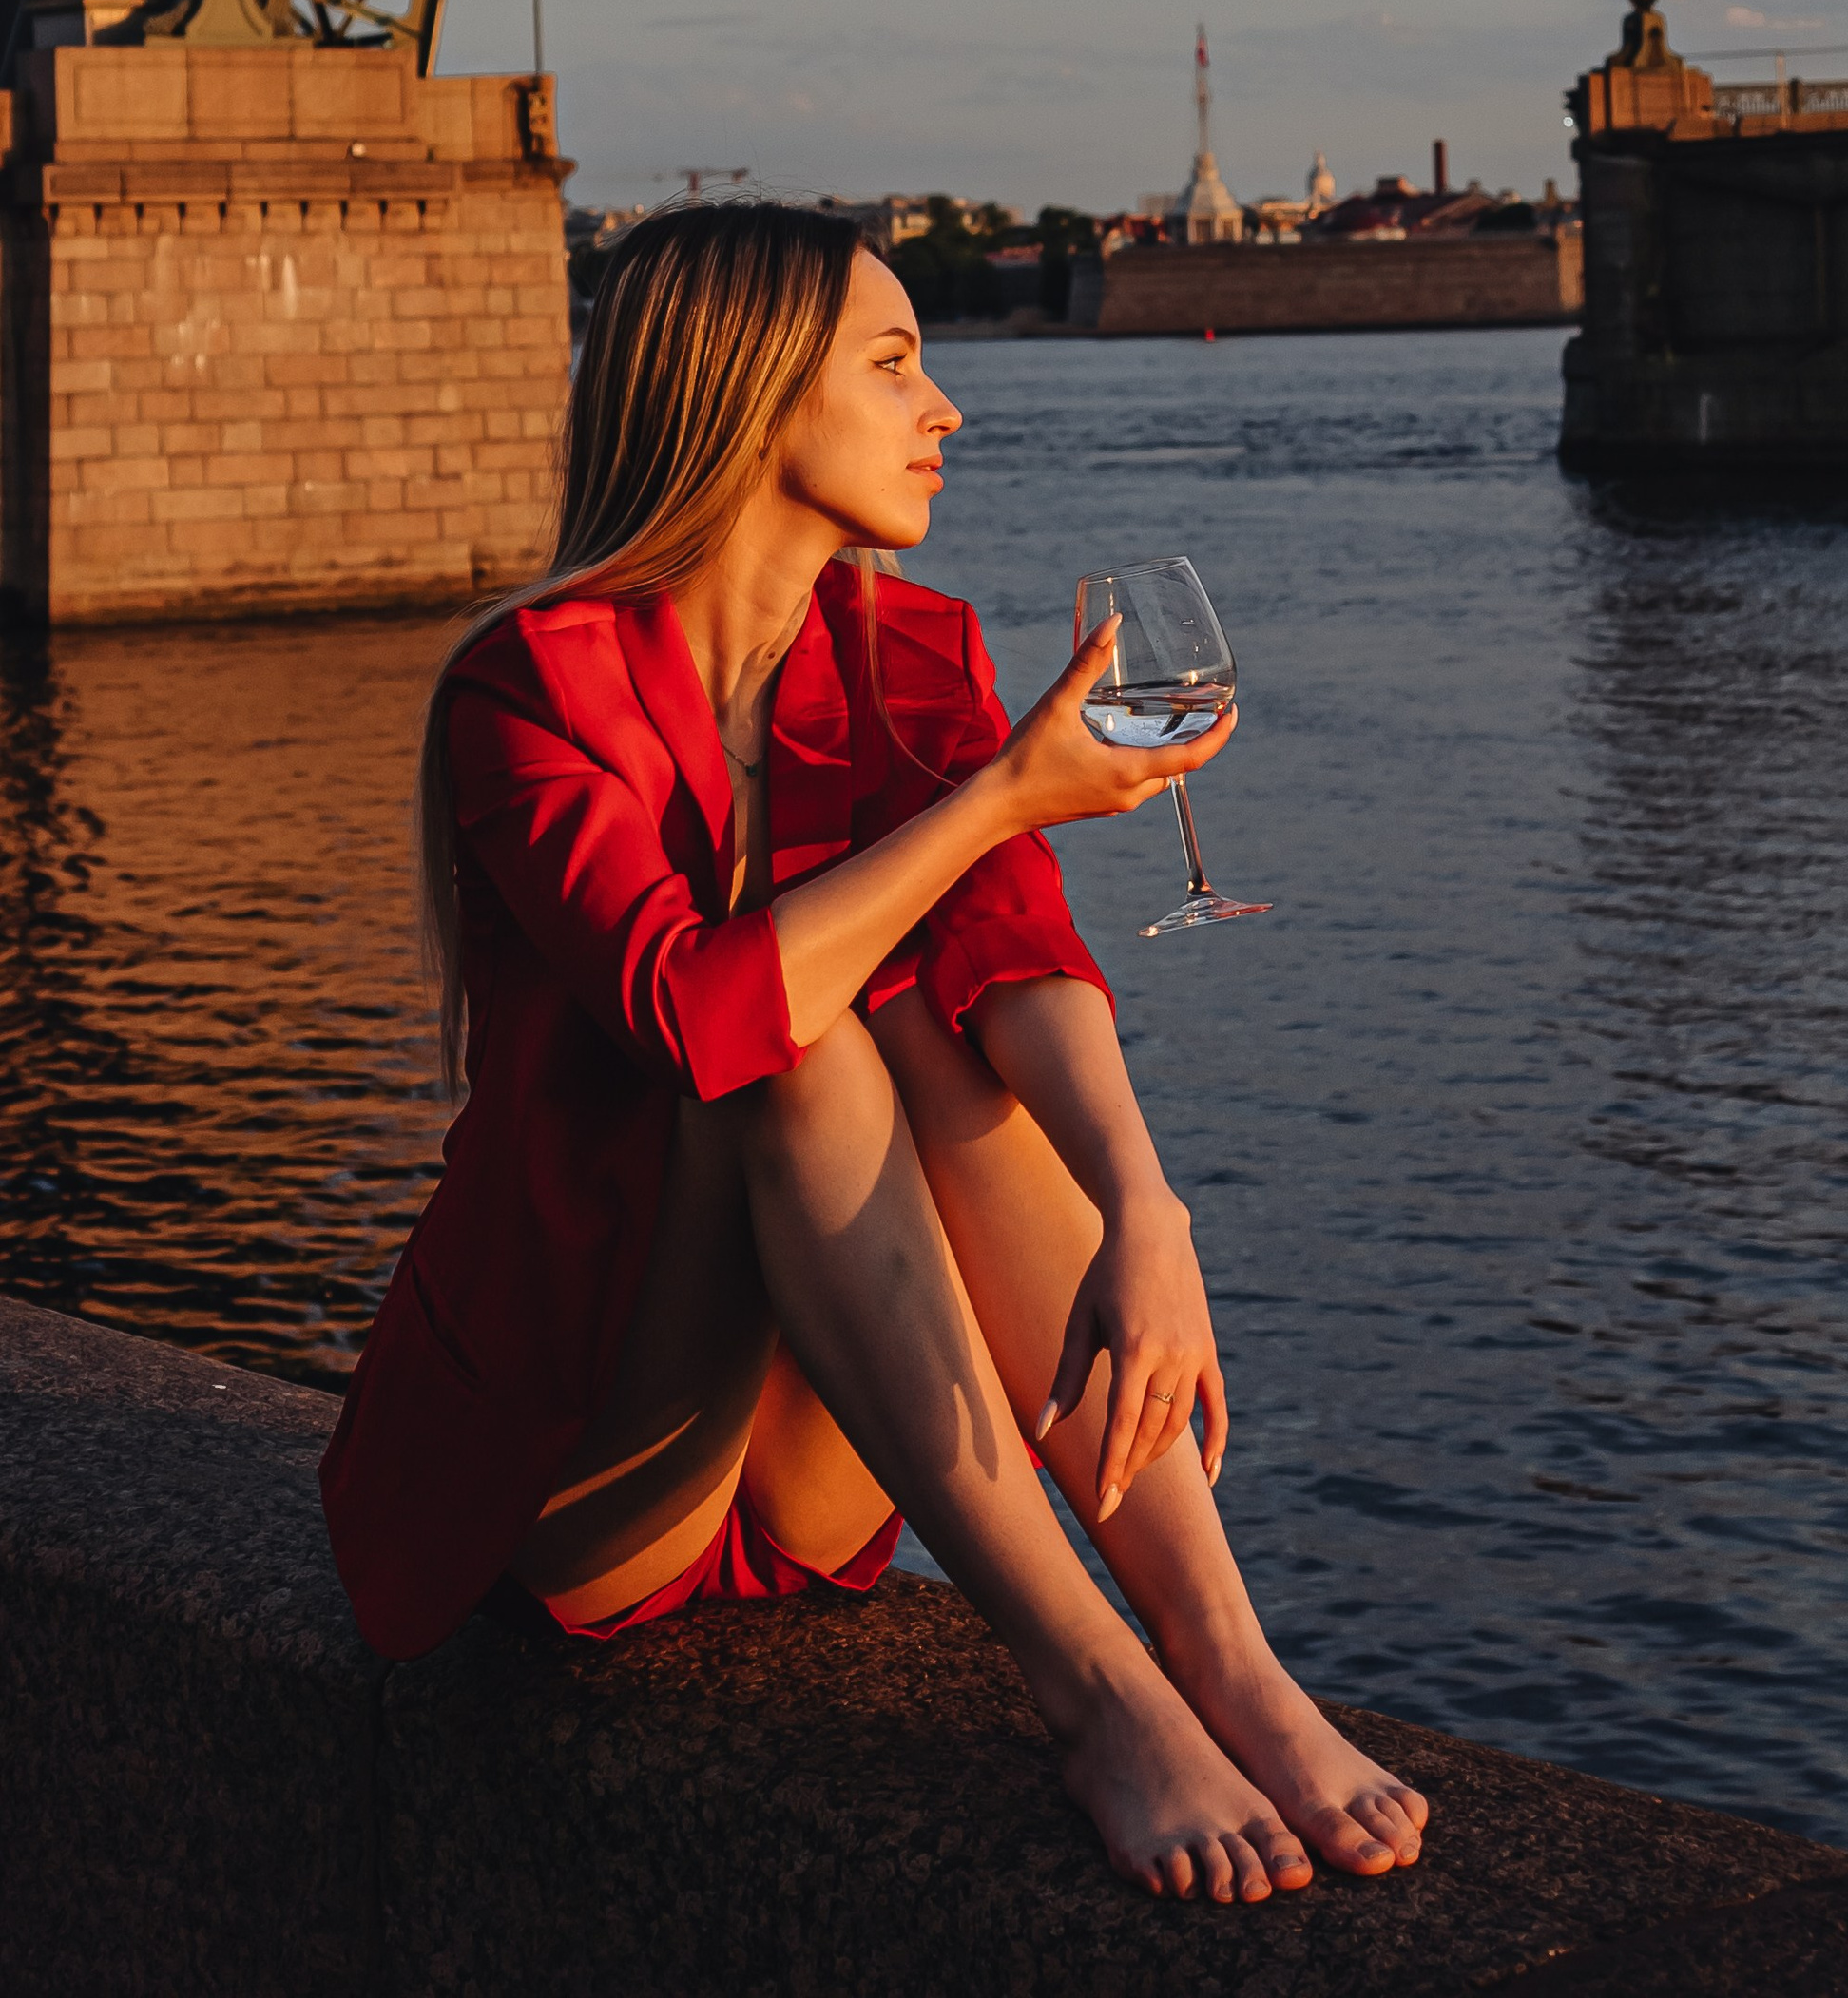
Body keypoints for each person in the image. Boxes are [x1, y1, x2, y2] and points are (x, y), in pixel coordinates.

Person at [321, 199, 1426, 1906]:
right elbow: (687, 1009)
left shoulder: (902, 654)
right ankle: (1100, 1697)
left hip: (830, 1465)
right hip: (596, 1461)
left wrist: (1150, 1212)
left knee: (932, 1026)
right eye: (897, 363)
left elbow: (1019, 957)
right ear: (755, 398)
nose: (948, 410)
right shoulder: (528, 688)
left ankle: (1237, 1673)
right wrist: (1002, 794)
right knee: (801, 1047)